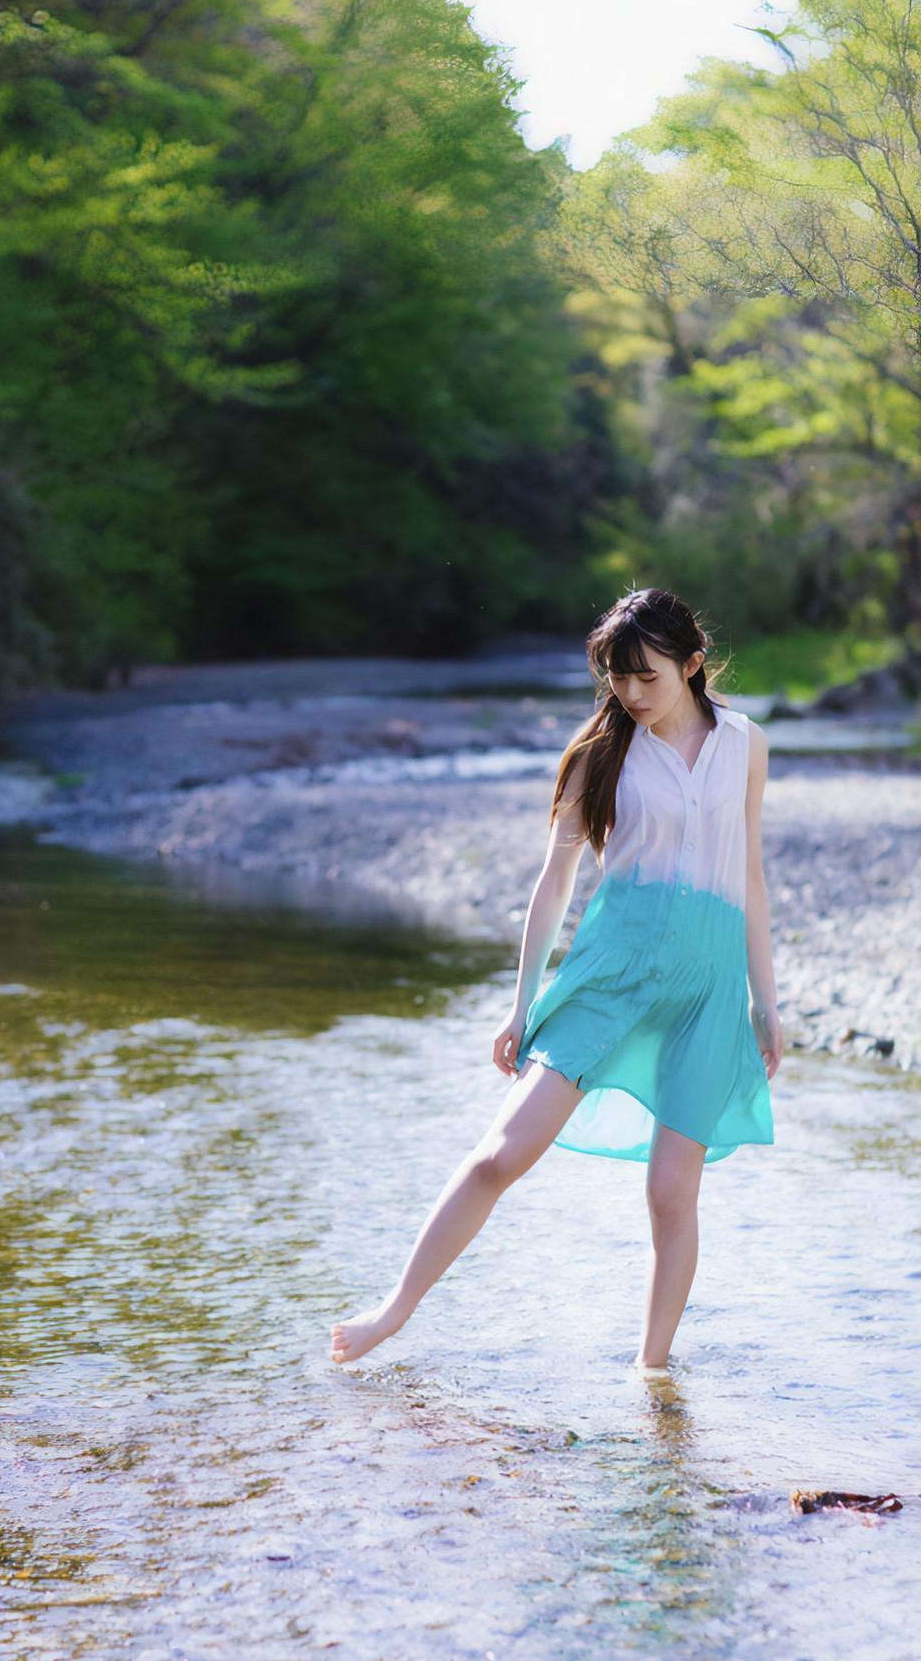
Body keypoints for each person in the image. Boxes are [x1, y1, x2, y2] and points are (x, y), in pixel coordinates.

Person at [329, 587, 782, 1375]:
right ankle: (391, 1310)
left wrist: (764, 999)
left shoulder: (746, 743)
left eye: (648, 676)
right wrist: (521, 1004)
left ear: (692, 664)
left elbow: (750, 869)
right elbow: (554, 882)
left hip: (706, 991)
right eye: (618, 678)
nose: (632, 694)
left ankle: (653, 1376)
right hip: (611, 978)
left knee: (673, 1193)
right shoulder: (599, 755)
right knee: (500, 1155)